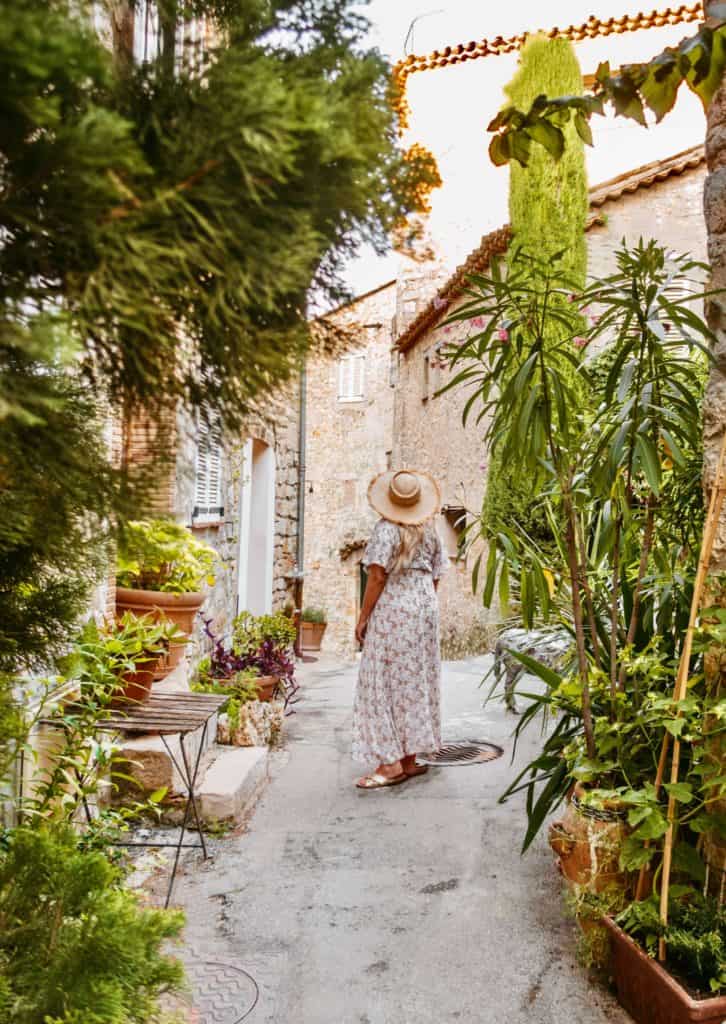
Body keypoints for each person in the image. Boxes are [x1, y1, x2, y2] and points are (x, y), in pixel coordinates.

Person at [352, 468, 445, 789]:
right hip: (425, 608)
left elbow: (377, 577)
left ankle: (390, 765)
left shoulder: (386, 530)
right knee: (416, 678)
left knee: (382, 681)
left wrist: (363, 618)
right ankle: (409, 758)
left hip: (395, 607)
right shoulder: (431, 531)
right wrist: (422, 606)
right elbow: (436, 575)